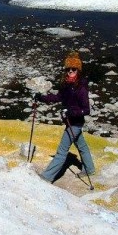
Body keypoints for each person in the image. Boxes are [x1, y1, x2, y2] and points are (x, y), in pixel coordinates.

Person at [35, 52, 95, 183]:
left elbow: (86, 110)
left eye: (73, 69)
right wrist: (42, 98)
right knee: (82, 147)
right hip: (71, 122)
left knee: (62, 151)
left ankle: (46, 177)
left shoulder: (81, 89)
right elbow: (58, 97)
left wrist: (71, 113)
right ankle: (89, 169)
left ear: (78, 70)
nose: (70, 71)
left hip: (75, 123)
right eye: (68, 69)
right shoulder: (66, 85)